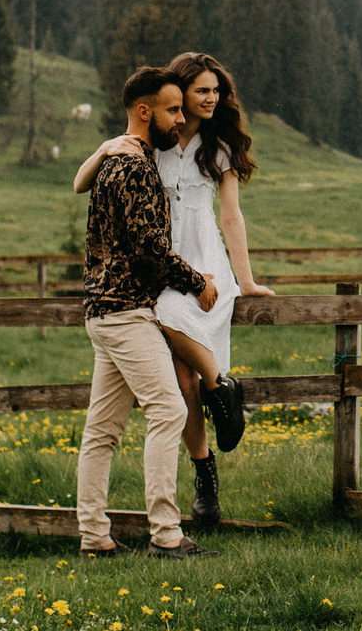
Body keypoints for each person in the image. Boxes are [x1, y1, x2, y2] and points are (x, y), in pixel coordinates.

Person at [95, 50, 275, 525]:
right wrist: (102, 151)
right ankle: (213, 429)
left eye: (216, 91)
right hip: (164, 263)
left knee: (179, 360)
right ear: (181, 94)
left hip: (206, 260)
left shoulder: (219, 147)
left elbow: (231, 215)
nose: (211, 99)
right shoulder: (154, 142)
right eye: (202, 91)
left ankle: (215, 399)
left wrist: (245, 279)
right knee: (180, 381)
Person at [69, 65, 219, 559]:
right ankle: (166, 534)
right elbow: (149, 248)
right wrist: (198, 282)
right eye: (172, 110)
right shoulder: (133, 167)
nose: (181, 119)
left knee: (102, 431)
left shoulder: (118, 160)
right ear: (143, 111)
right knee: (169, 409)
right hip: (125, 311)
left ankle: (94, 537)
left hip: (102, 311)